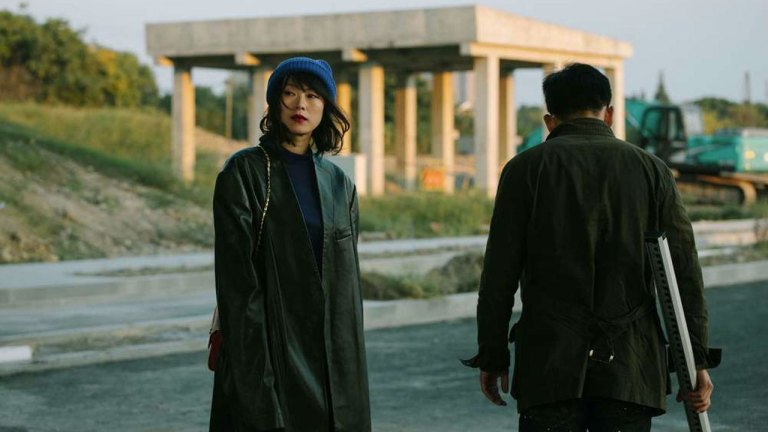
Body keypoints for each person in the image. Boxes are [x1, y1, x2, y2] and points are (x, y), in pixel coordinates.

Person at [463, 63, 720, 431]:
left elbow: (498, 275)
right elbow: (683, 272)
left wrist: (492, 356)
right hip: (630, 370)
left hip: (549, 367)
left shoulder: (524, 170)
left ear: (550, 120)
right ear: (609, 114)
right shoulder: (652, 170)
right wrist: (696, 363)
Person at [209, 57, 370, 432]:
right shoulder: (244, 172)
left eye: (313, 96)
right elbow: (238, 289)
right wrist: (258, 382)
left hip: (332, 362)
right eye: (290, 93)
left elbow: (347, 291)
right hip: (271, 351)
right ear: (274, 102)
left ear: (326, 107)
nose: (301, 104)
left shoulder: (339, 185)